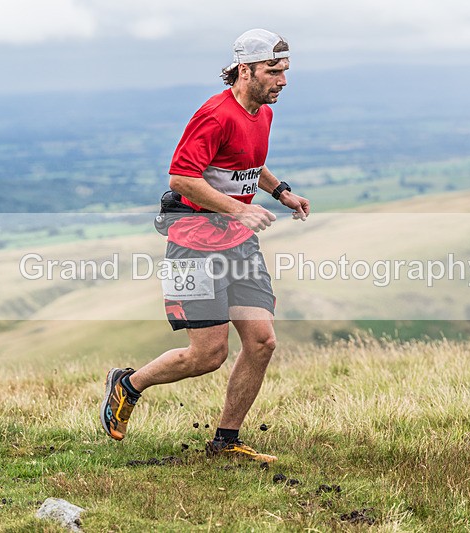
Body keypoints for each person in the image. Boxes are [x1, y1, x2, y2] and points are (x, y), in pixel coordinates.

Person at [100, 29, 310, 463]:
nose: (283, 81)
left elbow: (247, 162)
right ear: (245, 69)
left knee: (262, 341)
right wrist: (237, 210)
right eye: (274, 71)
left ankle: (225, 443)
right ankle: (128, 384)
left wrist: (280, 191)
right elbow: (180, 177)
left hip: (239, 244)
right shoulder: (215, 114)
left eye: (285, 71)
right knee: (207, 354)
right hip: (194, 243)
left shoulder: (262, 113)